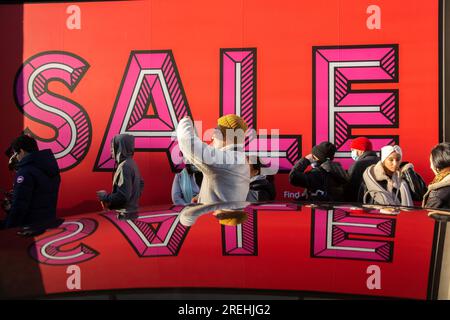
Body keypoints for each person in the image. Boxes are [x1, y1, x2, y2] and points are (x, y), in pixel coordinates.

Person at [176, 114, 250, 204]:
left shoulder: (229, 159)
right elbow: (224, 188)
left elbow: (188, 143)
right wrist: (202, 197)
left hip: (220, 216)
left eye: (216, 132)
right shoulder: (237, 158)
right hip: (225, 215)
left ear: (226, 136)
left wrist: (185, 121)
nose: (212, 137)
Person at [2, 135, 61, 229]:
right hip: (48, 225)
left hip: (29, 229)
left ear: (21, 151)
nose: (16, 158)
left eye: (16, 154)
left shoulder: (25, 172)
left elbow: (19, 208)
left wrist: (9, 228)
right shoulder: (50, 167)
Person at [361, 145, 426, 206]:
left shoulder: (405, 176)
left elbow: (420, 196)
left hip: (401, 216)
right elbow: (361, 201)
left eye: (398, 159)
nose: (395, 163)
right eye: (391, 160)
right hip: (379, 217)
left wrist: (408, 171)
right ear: (383, 161)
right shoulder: (371, 176)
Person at [96, 134, 144, 215]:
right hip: (132, 212)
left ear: (120, 148)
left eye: (113, 146)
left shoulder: (124, 166)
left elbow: (123, 196)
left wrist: (105, 197)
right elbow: (141, 183)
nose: (111, 150)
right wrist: (133, 201)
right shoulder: (132, 163)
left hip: (124, 216)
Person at [345, 137, 379, 202]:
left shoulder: (358, 165)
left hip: (361, 202)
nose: (352, 153)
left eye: (353, 150)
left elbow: (350, 188)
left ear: (361, 150)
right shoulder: (380, 162)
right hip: (379, 202)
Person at [423, 142, 450, 209]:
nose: (430, 167)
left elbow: (429, 217)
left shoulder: (437, 194)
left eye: (431, 162)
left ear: (437, 166)